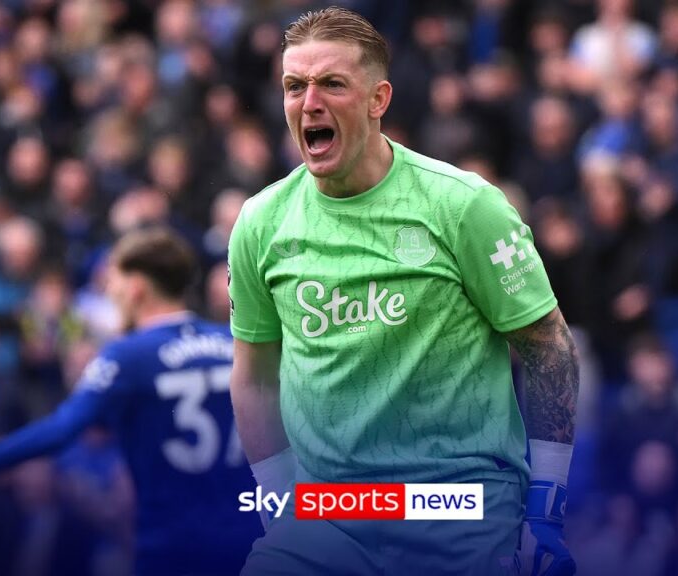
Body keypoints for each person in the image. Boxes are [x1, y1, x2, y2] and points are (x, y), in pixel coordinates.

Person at [228, 7, 579, 576]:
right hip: (328, 514)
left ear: (378, 99)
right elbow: (254, 373)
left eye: (332, 84)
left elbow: (548, 347)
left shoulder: (463, 206)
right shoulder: (261, 222)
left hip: (459, 505)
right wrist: (277, 502)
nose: (309, 101)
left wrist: (547, 507)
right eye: (295, 86)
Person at [0, 226, 262, 575]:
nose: (110, 293)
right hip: (248, 542)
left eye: (113, 281)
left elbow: (61, 429)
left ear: (136, 287)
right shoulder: (233, 342)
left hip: (171, 546)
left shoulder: (128, 355)